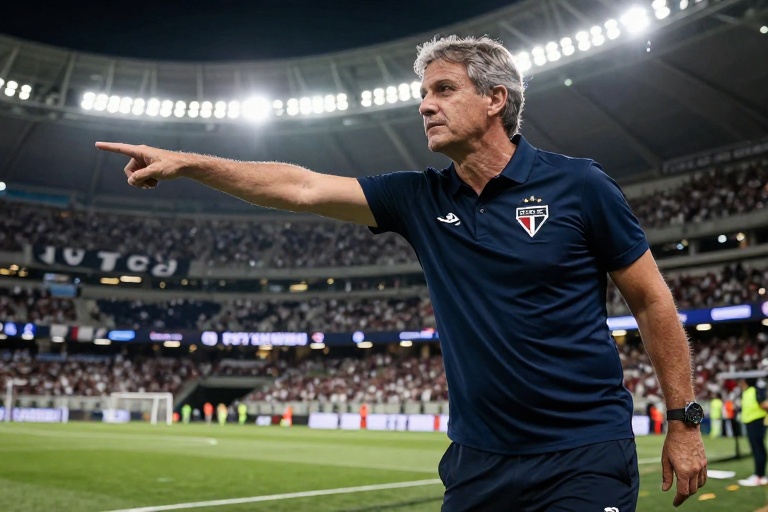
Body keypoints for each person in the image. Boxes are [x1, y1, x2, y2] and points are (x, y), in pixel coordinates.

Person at [96, 35, 707, 510]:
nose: (424, 104)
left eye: (444, 89)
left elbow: (652, 302)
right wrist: (189, 163)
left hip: (582, 453)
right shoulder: (418, 198)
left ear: (496, 99)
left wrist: (682, 420)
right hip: (478, 462)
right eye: (424, 92)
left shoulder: (579, 185)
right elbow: (301, 187)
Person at [736, 378, 768, 486]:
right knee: (756, 448)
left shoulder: (755, 390)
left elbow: (764, 404)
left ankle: (759, 475)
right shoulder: (747, 392)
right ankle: (760, 475)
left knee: (758, 448)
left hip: (757, 422)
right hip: (750, 422)